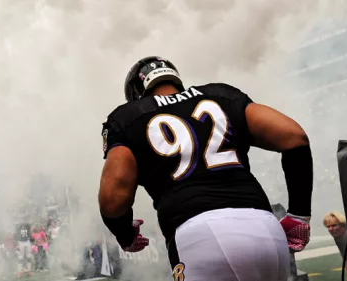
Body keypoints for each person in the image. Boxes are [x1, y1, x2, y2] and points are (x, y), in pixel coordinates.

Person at [98, 56, 313, 281]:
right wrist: (299, 215)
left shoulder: (128, 117)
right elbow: (293, 137)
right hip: (266, 231)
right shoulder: (222, 95)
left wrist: (124, 232)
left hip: (200, 237)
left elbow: (113, 199)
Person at [323, 211, 347, 281]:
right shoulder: (338, 235)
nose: (330, 229)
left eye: (334, 225)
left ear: (343, 225)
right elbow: (346, 260)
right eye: (328, 226)